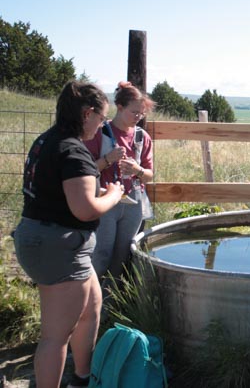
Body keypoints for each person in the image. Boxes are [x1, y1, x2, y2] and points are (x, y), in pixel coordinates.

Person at [12, 81, 124, 388]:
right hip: (58, 246)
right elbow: (86, 210)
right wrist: (113, 194)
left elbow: (62, 191)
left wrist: (95, 189)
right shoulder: (74, 151)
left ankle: (82, 377)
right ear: (87, 113)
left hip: (46, 237)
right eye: (101, 119)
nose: (102, 126)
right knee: (55, 336)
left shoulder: (48, 141)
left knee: (92, 306)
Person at [84, 81, 155, 285]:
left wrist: (137, 170)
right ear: (120, 107)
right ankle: (89, 303)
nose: (138, 117)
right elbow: (85, 171)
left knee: (122, 257)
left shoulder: (142, 137)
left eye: (141, 114)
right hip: (105, 199)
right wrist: (108, 160)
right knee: (101, 254)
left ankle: (110, 306)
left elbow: (149, 175)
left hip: (133, 201)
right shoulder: (98, 133)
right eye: (134, 112)